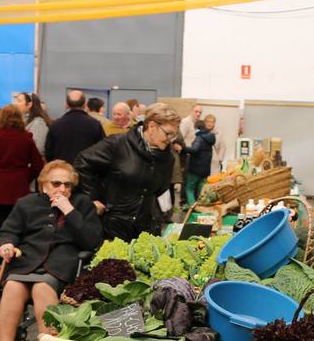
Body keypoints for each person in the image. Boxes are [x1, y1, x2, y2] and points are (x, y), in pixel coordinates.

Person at [0, 160, 104, 341]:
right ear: (43, 185)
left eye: (67, 185)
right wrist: (6, 244)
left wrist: (70, 211)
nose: (62, 189)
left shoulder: (82, 204)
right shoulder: (27, 203)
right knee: (12, 286)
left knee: (42, 287)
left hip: (62, 262)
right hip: (27, 259)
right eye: (56, 184)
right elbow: (7, 231)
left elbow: (93, 241)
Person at [74, 102, 179, 241]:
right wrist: (91, 198)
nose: (170, 139)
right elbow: (82, 162)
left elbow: (161, 189)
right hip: (112, 226)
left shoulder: (168, 157)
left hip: (146, 228)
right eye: (168, 133)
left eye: (174, 135)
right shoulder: (117, 144)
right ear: (152, 126)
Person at [0, 103, 44, 245]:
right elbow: (39, 165)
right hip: (19, 189)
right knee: (17, 225)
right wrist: (26, 176)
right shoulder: (26, 137)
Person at [45, 89, 105, 163]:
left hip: (63, 170)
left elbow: (48, 152)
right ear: (85, 105)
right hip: (87, 171)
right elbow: (102, 150)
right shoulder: (95, 124)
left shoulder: (55, 125)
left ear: (66, 105)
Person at [183, 114, 217, 206]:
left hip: (195, 169)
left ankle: (192, 207)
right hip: (205, 170)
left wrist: (183, 148)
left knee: (189, 188)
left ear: (197, 128)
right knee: (200, 190)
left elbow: (195, 150)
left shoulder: (199, 138)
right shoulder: (210, 138)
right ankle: (201, 207)